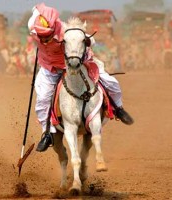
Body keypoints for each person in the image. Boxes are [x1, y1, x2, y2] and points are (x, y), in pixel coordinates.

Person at [28, 2, 134, 152]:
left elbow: (89, 38)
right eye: (42, 37)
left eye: (48, 36)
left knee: (111, 82)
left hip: (75, 64)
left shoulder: (65, 29)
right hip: (49, 68)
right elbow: (35, 10)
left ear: (54, 29)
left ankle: (119, 108)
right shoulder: (32, 25)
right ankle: (47, 133)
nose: (45, 40)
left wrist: (89, 41)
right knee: (43, 99)